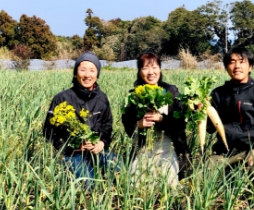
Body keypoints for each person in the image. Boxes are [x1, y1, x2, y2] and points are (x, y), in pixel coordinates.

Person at [43, 51, 119, 187]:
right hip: (73, 153)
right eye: (83, 70)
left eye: (92, 70)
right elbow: (48, 131)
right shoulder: (62, 98)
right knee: (88, 185)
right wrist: (74, 146)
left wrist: (102, 143)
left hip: (96, 150)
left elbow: (107, 125)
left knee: (121, 173)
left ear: (97, 75)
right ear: (75, 73)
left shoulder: (102, 98)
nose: (87, 75)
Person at [207, 47, 254, 179]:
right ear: (226, 67)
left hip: (252, 150)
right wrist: (200, 112)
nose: (237, 66)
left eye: (242, 62)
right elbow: (210, 128)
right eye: (232, 62)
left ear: (250, 67)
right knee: (202, 178)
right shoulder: (218, 94)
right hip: (224, 152)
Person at [122, 52, 190, 188]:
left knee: (169, 184)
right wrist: (138, 125)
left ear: (160, 69)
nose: (151, 72)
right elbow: (127, 125)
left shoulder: (171, 91)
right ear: (139, 71)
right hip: (144, 148)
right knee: (135, 184)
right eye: (145, 68)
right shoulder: (134, 95)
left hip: (168, 146)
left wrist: (162, 119)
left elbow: (181, 123)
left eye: (154, 67)